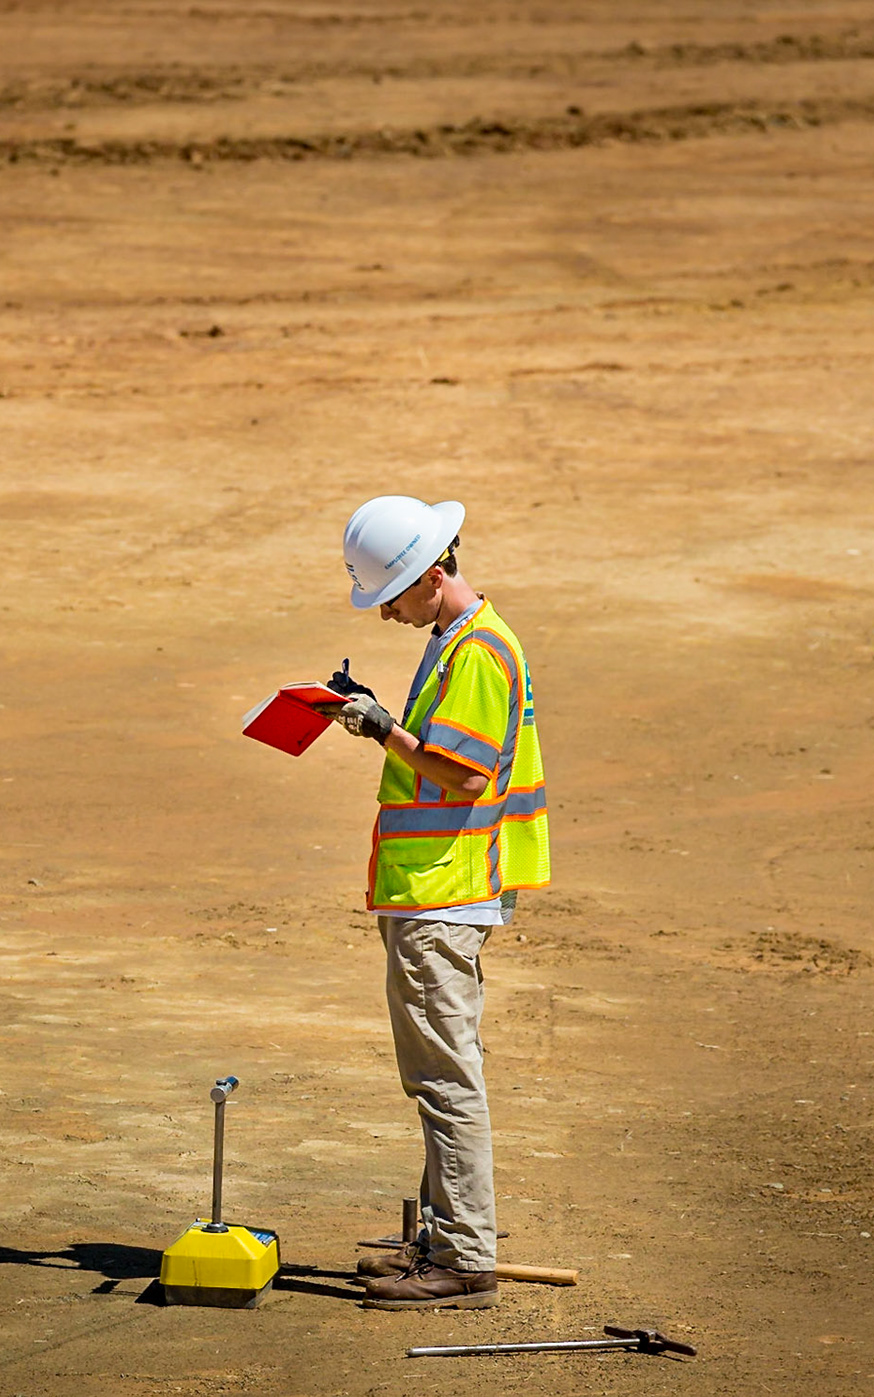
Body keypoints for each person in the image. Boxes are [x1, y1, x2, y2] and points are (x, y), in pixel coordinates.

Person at [316, 495, 550, 1311]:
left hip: (444, 893)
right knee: (436, 1075)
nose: (385, 609)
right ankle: (441, 1241)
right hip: (431, 890)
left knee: (447, 1079)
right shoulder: (453, 640)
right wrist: (381, 713)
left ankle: (463, 1257)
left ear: (435, 574)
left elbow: (464, 772)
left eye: (393, 594)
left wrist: (381, 727)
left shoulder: (479, 650)